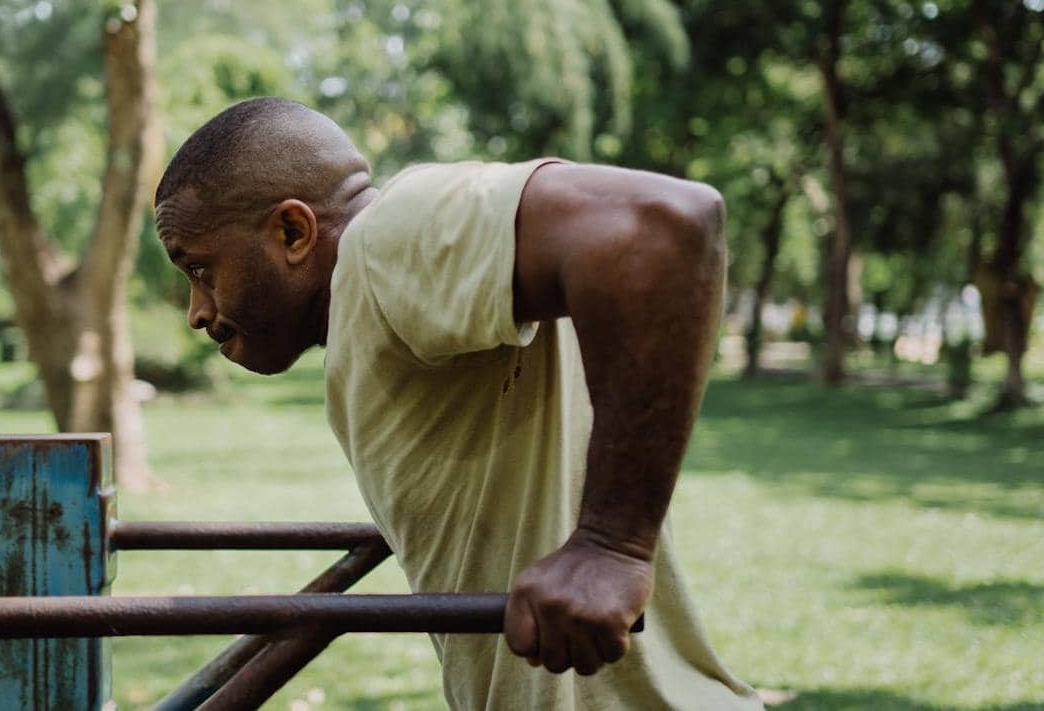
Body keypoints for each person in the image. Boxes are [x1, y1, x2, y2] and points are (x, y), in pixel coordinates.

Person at [154, 97, 763, 710]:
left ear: (293, 231)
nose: (197, 311)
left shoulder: (381, 244)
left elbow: (667, 224)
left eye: (201, 269)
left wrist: (611, 547)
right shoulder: (371, 308)